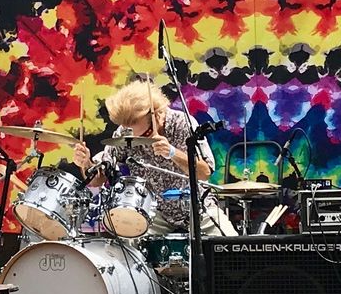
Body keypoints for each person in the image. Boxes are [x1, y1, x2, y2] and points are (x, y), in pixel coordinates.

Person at [73, 78, 230, 237]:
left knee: (229, 242)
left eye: (145, 134)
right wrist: (86, 164)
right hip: (155, 213)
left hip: (197, 206)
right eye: (134, 136)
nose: (138, 138)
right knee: (127, 246)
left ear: (158, 114)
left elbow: (204, 173)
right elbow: (98, 180)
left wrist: (172, 153)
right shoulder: (126, 132)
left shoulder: (182, 123)